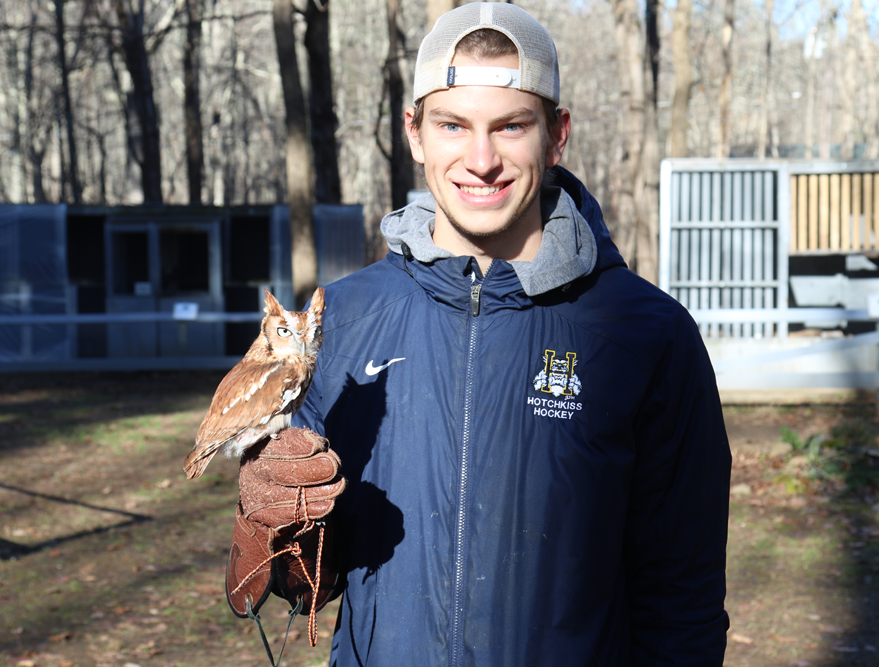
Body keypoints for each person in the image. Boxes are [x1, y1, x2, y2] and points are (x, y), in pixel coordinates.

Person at [228, 3, 732, 665]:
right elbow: (305, 581)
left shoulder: (647, 334)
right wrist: (276, 526)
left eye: (511, 125)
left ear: (557, 136)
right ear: (415, 134)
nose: (481, 158)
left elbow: (682, 600)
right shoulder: (341, 321)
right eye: (453, 124)